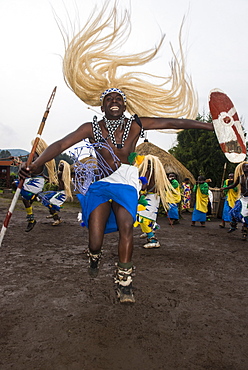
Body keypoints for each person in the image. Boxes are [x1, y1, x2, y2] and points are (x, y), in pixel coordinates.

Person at [19, 3, 213, 303]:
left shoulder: (136, 125)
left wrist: (209, 126)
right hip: (99, 184)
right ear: (101, 106)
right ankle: (94, 256)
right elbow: (59, 146)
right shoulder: (91, 127)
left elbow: (173, 121)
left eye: (118, 99)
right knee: (95, 239)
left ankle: (124, 282)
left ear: (124, 105)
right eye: (108, 99)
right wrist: (34, 165)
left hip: (126, 183)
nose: (113, 102)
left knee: (126, 228)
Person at [16, 139, 57, 232]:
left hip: (35, 182)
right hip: (36, 181)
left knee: (23, 194)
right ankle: (32, 217)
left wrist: (20, 164)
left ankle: (31, 219)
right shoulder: (40, 157)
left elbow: (29, 167)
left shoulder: (36, 157)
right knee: (26, 198)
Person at [134, 155, 172, 249]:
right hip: (155, 197)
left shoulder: (148, 172)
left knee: (142, 217)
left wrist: (141, 192)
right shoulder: (157, 172)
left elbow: (144, 184)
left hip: (150, 197)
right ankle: (148, 232)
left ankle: (153, 239)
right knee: (147, 217)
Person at [220, 162, 248, 240]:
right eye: (245, 167)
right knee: (234, 211)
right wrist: (225, 188)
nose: (247, 168)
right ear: (242, 168)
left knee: (246, 216)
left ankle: (244, 232)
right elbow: (234, 185)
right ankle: (233, 225)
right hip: (242, 198)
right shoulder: (240, 177)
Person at [40, 160, 73, 226]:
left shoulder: (63, 174)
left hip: (62, 193)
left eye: (61, 165)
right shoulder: (62, 174)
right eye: (60, 165)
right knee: (48, 201)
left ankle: (57, 219)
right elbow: (55, 181)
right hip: (59, 192)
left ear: (65, 167)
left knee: (50, 203)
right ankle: (53, 214)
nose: (59, 166)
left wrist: (44, 175)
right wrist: (44, 176)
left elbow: (55, 180)